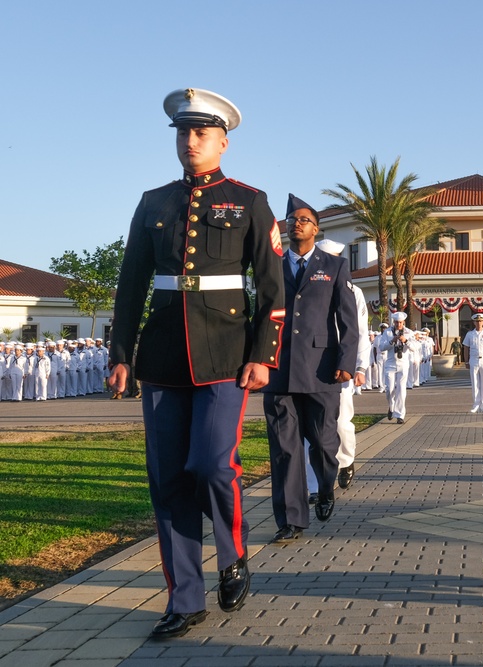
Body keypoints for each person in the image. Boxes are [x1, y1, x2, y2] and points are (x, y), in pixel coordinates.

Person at [108, 88, 285, 639]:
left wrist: (263, 355)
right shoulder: (152, 202)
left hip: (225, 356)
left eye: (201, 133)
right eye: (184, 133)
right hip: (162, 355)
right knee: (167, 481)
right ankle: (184, 599)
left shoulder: (249, 200)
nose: (190, 142)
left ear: (223, 141)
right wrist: (121, 355)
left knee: (210, 465)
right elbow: (131, 283)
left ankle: (232, 553)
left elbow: (272, 286)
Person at [262, 196, 359, 545]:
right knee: (284, 450)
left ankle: (326, 486)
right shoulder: (269, 266)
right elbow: (258, 316)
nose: (296, 223)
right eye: (291, 219)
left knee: (321, 441)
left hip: (321, 370)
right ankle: (291, 521)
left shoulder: (333, 266)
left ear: (316, 229)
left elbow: (347, 320)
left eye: (304, 219)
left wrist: (347, 363)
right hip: (278, 369)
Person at [313, 237, 371, 492]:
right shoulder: (309, 285)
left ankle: (346, 461)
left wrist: (360, 367)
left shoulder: (353, 291)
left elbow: (358, 331)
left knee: (341, 420)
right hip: (312, 363)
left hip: (341, 364)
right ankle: (314, 482)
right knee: (311, 423)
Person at [378, 311, 420, 423]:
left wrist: (405, 341)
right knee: (389, 389)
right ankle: (391, 407)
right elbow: (381, 347)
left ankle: (400, 415)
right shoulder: (387, 332)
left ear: (403, 322)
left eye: (400, 322)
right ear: (394, 322)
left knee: (401, 390)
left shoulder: (409, 332)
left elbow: (415, 347)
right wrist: (392, 341)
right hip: (390, 363)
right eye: (396, 322)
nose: (398, 325)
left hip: (403, 363)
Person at [463, 313, 483, 413]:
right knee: (475, 383)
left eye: (480, 321)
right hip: (473, 359)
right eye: (477, 321)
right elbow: (466, 348)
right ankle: (476, 404)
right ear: (474, 322)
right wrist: (466, 361)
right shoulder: (470, 334)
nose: (479, 323)